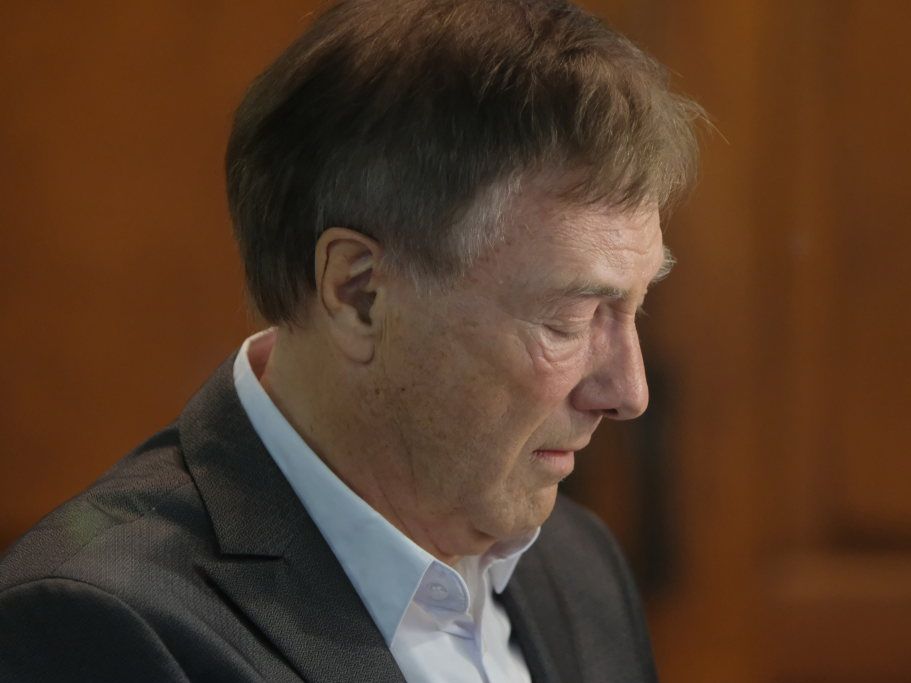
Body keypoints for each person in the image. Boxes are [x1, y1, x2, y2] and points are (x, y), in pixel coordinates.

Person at [0, 0, 701, 680]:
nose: (628, 392)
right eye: (569, 320)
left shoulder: (578, 567)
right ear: (360, 293)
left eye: (634, 310)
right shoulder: (99, 626)